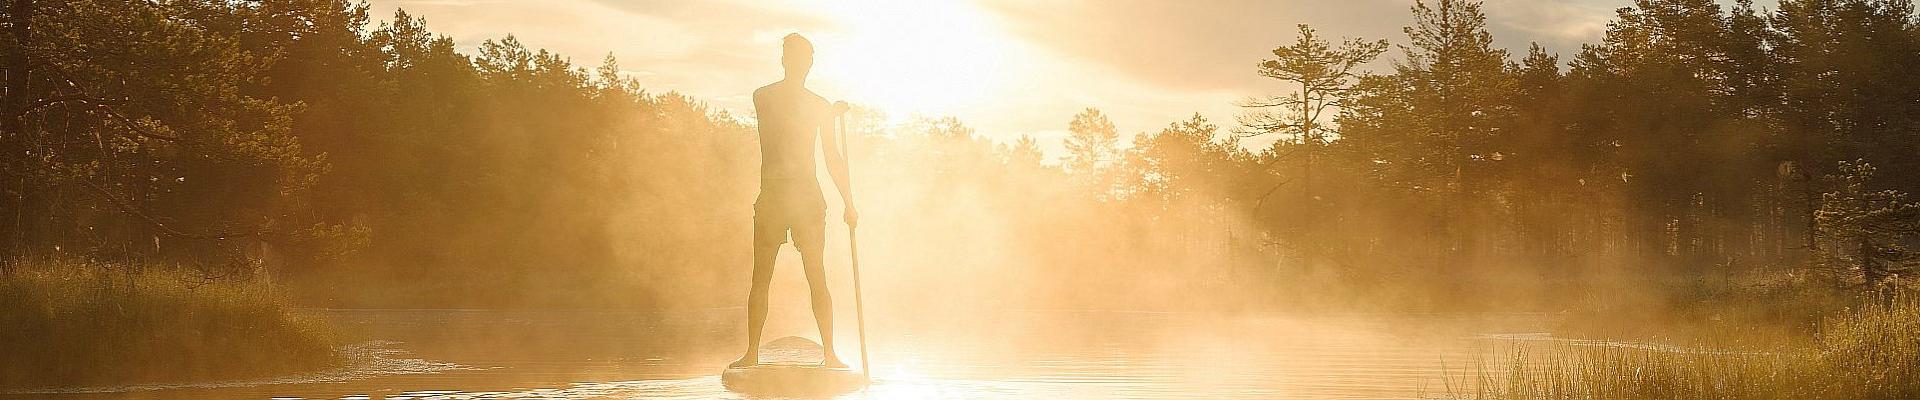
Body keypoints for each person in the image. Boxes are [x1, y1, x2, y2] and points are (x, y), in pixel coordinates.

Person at [731, 33, 858, 369]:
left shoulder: (819, 106)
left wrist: (849, 202)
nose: (798, 62)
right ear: (784, 60)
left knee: (817, 275)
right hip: (773, 195)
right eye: (792, 55)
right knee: (761, 277)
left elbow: (832, 157)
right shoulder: (764, 97)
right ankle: (751, 353)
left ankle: (829, 353)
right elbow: (787, 118)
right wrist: (828, 113)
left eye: (804, 57)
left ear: (810, 63)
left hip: (806, 197)